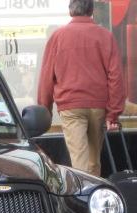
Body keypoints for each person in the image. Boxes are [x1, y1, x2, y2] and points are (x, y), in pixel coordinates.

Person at [37, 0, 126, 176]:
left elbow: (46, 77)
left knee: (80, 161)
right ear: (92, 10)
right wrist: (113, 113)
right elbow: (116, 76)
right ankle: (95, 190)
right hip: (98, 106)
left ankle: (84, 191)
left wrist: (44, 111)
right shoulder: (105, 36)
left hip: (71, 106)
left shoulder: (58, 36)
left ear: (71, 10)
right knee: (94, 161)